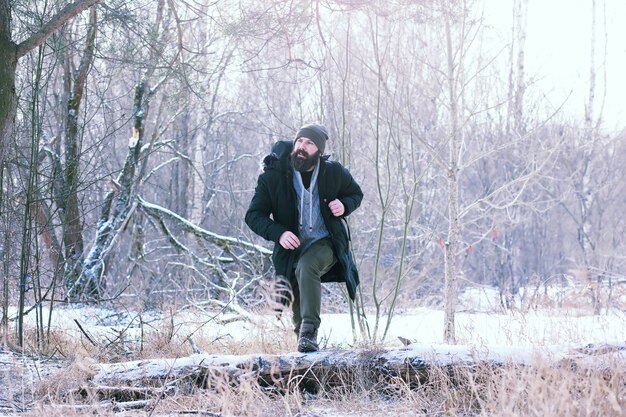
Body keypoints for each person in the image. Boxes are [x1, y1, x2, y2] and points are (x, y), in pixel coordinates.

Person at [245, 123, 363, 353]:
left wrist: (344, 205)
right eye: (299, 141)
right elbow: (253, 215)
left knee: (307, 266)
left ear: (318, 150)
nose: (302, 147)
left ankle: (310, 330)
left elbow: (355, 194)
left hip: (326, 240)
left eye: (309, 143)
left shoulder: (334, 172)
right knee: (298, 275)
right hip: (292, 246)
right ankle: (305, 344)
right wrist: (279, 233)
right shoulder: (274, 176)